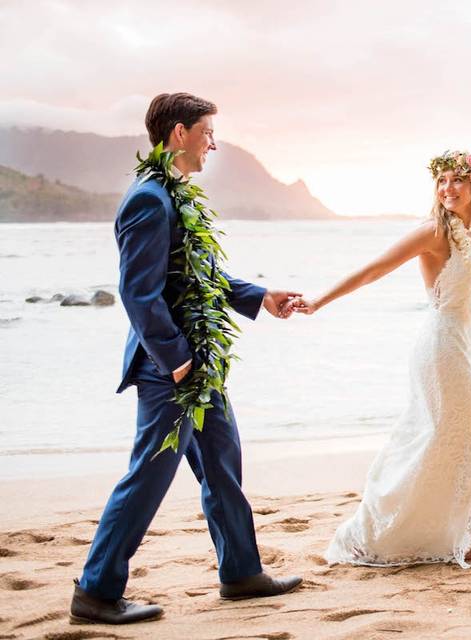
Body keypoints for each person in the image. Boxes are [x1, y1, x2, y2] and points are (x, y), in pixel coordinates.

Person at [71, 93, 302, 625]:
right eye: (207, 133)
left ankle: (242, 573)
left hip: (198, 362)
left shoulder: (177, 196)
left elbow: (198, 280)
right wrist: (177, 360)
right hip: (169, 369)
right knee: (149, 475)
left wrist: (259, 296)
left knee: (222, 462)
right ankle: (96, 591)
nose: (213, 143)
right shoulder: (149, 199)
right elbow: (138, 293)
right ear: (179, 134)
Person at [292, 150, 471, 567]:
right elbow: (374, 269)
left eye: (457, 180)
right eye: (442, 181)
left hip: (459, 342)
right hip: (440, 347)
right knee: (460, 435)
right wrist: (320, 300)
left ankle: (466, 534)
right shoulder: (433, 231)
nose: (447, 188)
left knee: (461, 437)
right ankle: (460, 539)